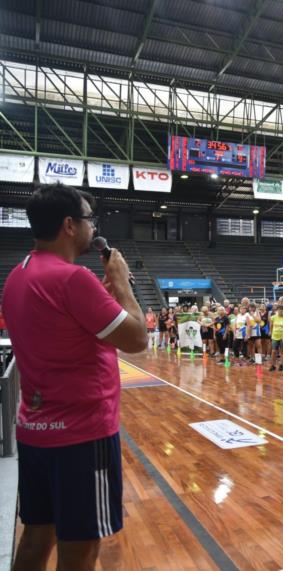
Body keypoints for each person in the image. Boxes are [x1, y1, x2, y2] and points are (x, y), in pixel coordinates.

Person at [3, 183, 147, 570]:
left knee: (37, 536)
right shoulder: (73, 279)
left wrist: (100, 298)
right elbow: (136, 338)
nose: (91, 227)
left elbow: (63, 327)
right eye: (88, 219)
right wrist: (120, 284)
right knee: (81, 548)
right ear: (69, 225)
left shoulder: (17, 276)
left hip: (34, 433)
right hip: (83, 436)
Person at [269, 304, 283, 371]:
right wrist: (270, 332)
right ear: (277, 310)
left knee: (282, 351)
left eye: (281, 309)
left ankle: (281, 364)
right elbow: (271, 325)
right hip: (275, 336)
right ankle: (273, 365)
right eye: (279, 309)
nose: (280, 310)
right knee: (273, 351)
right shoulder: (273, 317)